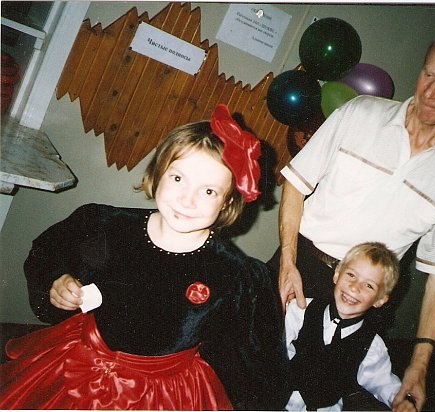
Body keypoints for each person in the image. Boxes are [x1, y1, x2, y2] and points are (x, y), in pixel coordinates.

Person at [268, 29, 435, 412]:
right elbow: (295, 184)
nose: (430, 92)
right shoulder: (361, 112)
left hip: (364, 298)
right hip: (299, 267)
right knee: (246, 373)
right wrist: (287, 262)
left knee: (315, 398)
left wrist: (420, 364)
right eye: (428, 75)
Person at [0, 104, 287, 410]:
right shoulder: (105, 226)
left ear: (227, 201)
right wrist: (56, 283)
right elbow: (46, 253)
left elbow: (254, 362)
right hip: (77, 363)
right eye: (178, 179)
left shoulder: (235, 276)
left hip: (163, 394)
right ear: (159, 173)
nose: (187, 200)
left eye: (208, 192)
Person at [284, 242, 401, 411]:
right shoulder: (301, 310)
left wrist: (401, 400)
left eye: (369, 285)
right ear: (337, 275)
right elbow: (275, 350)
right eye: (351, 275)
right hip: (279, 400)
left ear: (380, 300)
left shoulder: (371, 345)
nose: (354, 287)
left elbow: (384, 383)